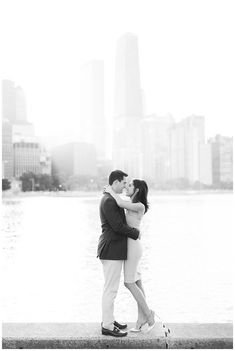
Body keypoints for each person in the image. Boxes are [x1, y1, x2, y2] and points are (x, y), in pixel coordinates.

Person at [104, 178, 156, 333]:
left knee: (129, 282)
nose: (128, 186)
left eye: (131, 185)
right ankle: (141, 319)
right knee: (138, 282)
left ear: (138, 190)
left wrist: (110, 190)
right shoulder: (132, 202)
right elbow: (122, 201)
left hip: (133, 247)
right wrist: (117, 190)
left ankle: (148, 314)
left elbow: (119, 203)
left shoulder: (139, 205)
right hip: (132, 245)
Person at [97, 170, 140, 337]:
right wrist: (136, 233)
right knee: (110, 290)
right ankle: (107, 326)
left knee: (110, 288)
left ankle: (108, 319)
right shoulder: (108, 201)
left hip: (113, 250)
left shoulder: (111, 198)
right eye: (123, 183)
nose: (124, 186)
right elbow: (117, 226)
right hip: (111, 250)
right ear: (115, 183)